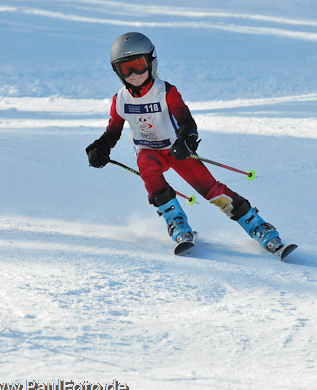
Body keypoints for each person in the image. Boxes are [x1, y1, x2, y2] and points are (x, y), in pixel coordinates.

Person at [86, 32, 287, 254]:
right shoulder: (120, 99)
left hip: (176, 150)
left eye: (138, 65)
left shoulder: (166, 91)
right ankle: (176, 221)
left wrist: (186, 140)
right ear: (117, 71)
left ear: (151, 62)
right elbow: (113, 130)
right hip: (148, 151)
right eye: (126, 69)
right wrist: (100, 147)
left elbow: (185, 119)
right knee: (146, 165)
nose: (134, 74)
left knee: (211, 190)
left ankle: (257, 225)